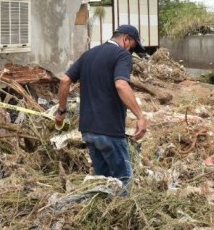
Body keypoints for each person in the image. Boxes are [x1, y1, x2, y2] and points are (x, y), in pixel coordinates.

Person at [55, 25, 148, 196]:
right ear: (126, 39)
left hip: (88, 130)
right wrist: (140, 116)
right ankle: (121, 219)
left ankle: (103, 217)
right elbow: (121, 84)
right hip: (110, 130)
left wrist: (61, 111)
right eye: (132, 46)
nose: (131, 51)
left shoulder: (88, 54)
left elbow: (64, 80)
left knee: (102, 181)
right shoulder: (122, 55)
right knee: (123, 179)